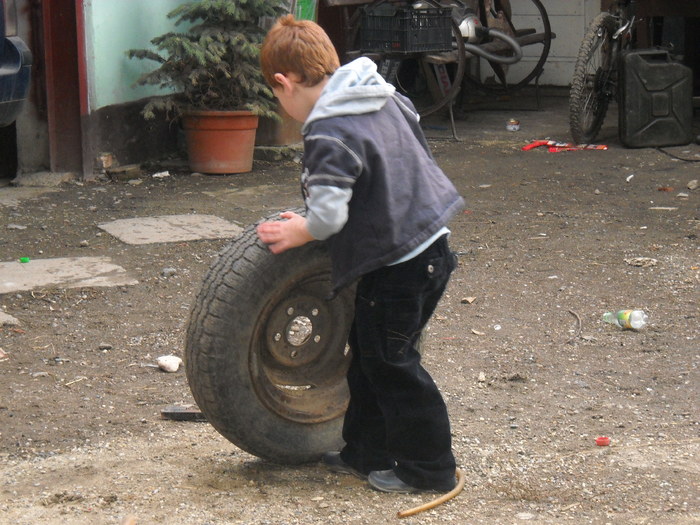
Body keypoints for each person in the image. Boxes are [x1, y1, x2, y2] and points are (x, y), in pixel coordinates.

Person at [257, 15, 464, 494]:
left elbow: (327, 218)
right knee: (371, 356)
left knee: (393, 364)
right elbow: (404, 149)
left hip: (399, 264)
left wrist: (301, 232)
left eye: (276, 96)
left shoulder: (328, 131)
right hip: (427, 244)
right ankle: (365, 452)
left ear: (284, 83)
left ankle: (429, 469)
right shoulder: (383, 94)